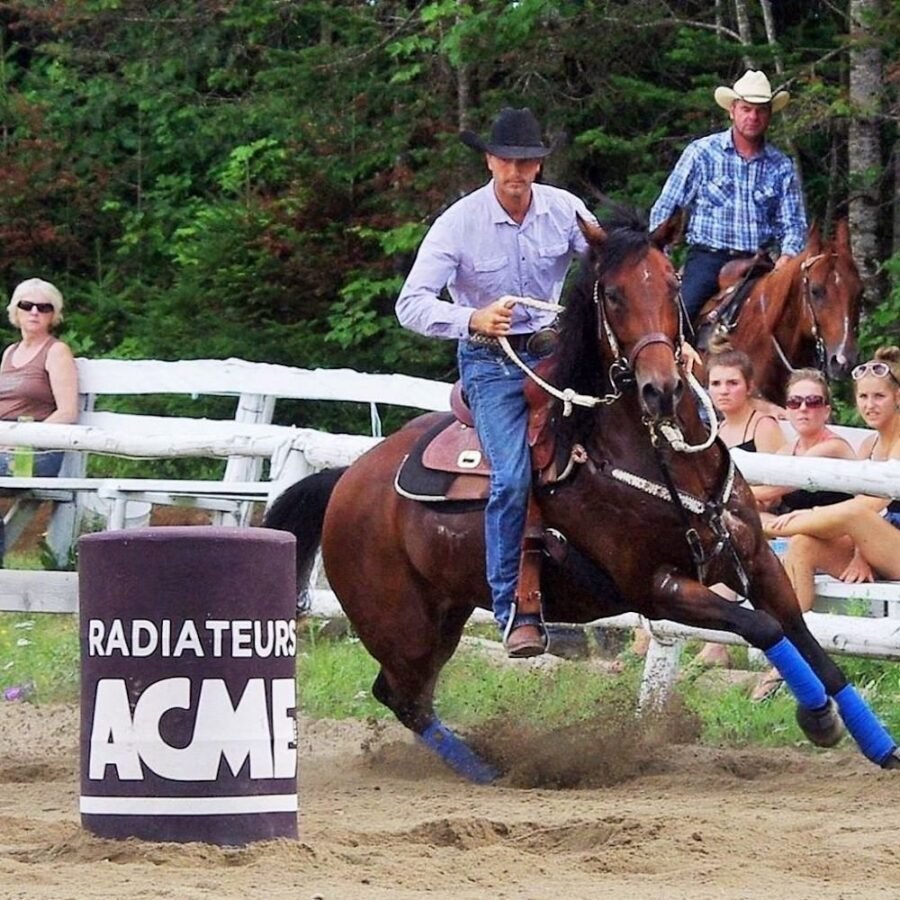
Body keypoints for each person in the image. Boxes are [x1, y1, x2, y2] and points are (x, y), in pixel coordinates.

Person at [395, 107, 597, 657]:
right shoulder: (458, 223)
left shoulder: (565, 211)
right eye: (509, 160)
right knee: (510, 477)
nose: (518, 171)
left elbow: (608, 262)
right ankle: (510, 606)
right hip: (491, 362)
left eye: (528, 161)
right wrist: (472, 319)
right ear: (489, 161)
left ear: (539, 164)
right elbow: (410, 305)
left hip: (556, 353)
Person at [760, 348, 900, 695]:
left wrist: (809, 517)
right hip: (879, 545)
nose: (870, 404)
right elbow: (864, 514)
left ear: (898, 397)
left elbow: (871, 504)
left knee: (842, 516)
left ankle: (759, 525)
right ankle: (786, 661)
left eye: (879, 396)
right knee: (804, 546)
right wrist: (860, 552)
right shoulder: (869, 443)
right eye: (863, 396)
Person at [648, 70, 808, 322]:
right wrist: (661, 259)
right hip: (708, 259)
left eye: (760, 110)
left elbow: (794, 225)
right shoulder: (701, 154)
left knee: (800, 322)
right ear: (732, 110)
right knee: (679, 320)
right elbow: (666, 209)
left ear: (769, 115)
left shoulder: (781, 165)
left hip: (760, 263)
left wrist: (787, 257)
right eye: (746, 109)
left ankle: (823, 360)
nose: (753, 117)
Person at [0, 278, 79, 561]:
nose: (34, 311)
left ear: (53, 315)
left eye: (43, 307)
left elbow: (68, 411)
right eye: (27, 305)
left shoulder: (56, 352)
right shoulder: (9, 353)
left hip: (36, 451)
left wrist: (21, 441)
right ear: (16, 311)